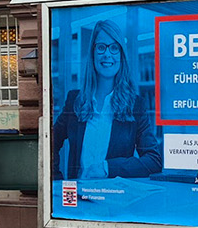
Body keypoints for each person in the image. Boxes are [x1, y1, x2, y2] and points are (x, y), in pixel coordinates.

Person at [52, 17, 162, 179]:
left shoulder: (135, 105)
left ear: (121, 55)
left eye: (114, 48)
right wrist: (56, 179)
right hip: (79, 194)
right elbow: (50, 142)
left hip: (114, 194)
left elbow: (153, 160)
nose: (107, 54)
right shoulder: (75, 101)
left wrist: (107, 168)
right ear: (93, 53)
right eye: (101, 47)